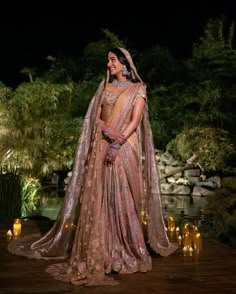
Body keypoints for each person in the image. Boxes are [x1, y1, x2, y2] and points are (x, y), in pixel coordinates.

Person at [8, 48, 177, 286]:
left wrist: (117, 143)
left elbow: (135, 121)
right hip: (102, 143)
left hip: (125, 146)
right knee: (101, 196)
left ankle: (128, 247)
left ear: (124, 64)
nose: (108, 64)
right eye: (108, 60)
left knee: (123, 195)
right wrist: (107, 131)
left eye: (112, 60)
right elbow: (95, 118)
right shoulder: (104, 88)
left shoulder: (138, 90)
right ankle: (104, 246)